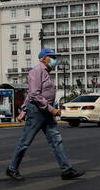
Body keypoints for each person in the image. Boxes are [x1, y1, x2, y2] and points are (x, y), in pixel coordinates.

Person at [6, 48, 84, 181]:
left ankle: (66, 169)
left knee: (56, 140)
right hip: (37, 112)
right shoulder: (36, 71)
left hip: (46, 112)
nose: (55, 60)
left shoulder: (46, 72)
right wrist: (47, 109)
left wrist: (42, 110)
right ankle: (12, 168)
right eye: (52, 57)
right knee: (25, 141)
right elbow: (34, 94)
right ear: (45, 58)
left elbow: (32, 94)